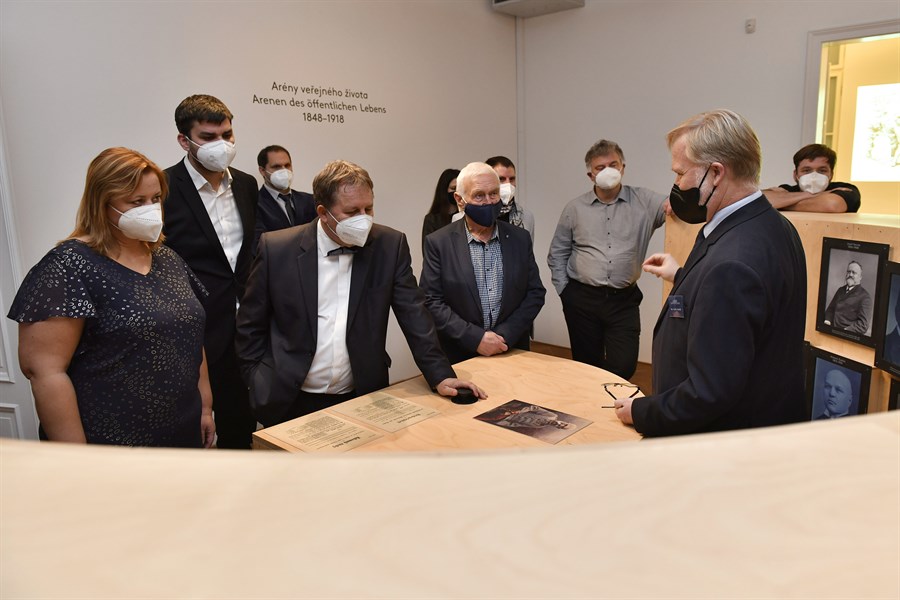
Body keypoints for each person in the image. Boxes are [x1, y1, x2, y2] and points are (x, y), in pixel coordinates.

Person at [235, 159, 486, 427]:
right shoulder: (277, 249)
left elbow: (414, 315)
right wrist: (257, 379)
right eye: (352, 211)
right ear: (323, 212)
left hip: (362, 395)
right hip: (289, 398)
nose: (363, 219)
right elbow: (250, 325)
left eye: (369, 208)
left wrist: (440, 374)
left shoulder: (389, 246)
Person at [616, 109, 808, 436]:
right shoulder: (773, 225)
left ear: (716, 173)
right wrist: (682, 276)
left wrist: (642, 411)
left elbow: (709, 393)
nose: (676, 185)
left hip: (726, 442)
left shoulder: (732, 264)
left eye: (680, 173)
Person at [7, 148, 214, 447]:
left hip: (182, 428)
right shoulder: (68, 265)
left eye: (156, 198)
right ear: (102, 203)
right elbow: (45, 372)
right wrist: (78, 458)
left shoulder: (167, 258)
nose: (150, 209)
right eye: (136, 201)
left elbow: (191, 335)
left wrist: (205, 407)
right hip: (110, 442)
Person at [162, 94, 258, 449]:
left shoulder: (246, 184)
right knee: (196, 431)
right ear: (184, 140)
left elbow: (249, 253)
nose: (222, 144)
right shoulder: (163, 188)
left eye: (227, 135)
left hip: (247, 325)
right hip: (197, 330)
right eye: (208, 137)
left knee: (242, 422)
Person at [547, 139, 666, 379]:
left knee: (624, 365)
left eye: (613, 164)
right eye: (600, 167)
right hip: (582, 298)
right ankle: (592, 401)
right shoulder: (575, 208)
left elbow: (677, 208)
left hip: (623, 300)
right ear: (590, 175)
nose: (608, 171)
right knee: (586, 365)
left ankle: (611, 397)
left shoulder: (645, 201)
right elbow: (557, 252)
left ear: (623, 167)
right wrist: (565, 291)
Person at [420, 162, 545, 364]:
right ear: (460, 200)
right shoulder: (439, 243)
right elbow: (431, 301)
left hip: (511, 349)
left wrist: (504, 335)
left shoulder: (519, 238)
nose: (488, 202)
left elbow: (535, 293)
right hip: (460, 354)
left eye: (493, 194)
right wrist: (476, 338)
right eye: (479, 195)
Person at [764, 144, 861, 213]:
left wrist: (782, 203)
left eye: (822, 170)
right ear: (795, 175)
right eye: (806, 170)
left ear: (831, 174)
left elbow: (832, 205)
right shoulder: (788, 189)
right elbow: (762, 199)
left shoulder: (846, 189)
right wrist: (812, 195)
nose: (814, 177)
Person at [254, 144, 316, 250]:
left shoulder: (309, 200)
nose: (284, 171)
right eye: (276, 167)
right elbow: (259, 244)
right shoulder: (254, 204)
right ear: (262, 171)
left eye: (287, 165)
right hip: (276, 259)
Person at [485, 156, 535, 241]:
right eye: (501, 179)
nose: (508, 184)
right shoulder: (472, 216)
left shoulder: (526, 217)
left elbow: (528, 248)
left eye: (512, 179)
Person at [823, 261, 873, 334]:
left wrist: (845, 331)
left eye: (854, 272)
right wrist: (827, 321)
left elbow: (863, 325)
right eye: (849, 272)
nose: (850, 274)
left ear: (860, 277)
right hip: (831, 330)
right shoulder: (841, 290)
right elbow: (830, 309)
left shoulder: (865, 297)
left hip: (846, 334)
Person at [421, 168, 460, 248]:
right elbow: (428, 250)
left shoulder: (466, 215)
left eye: (460, 189)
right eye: (453, 188)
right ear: (444, 190)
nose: (457, 192)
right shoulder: (432, 219)